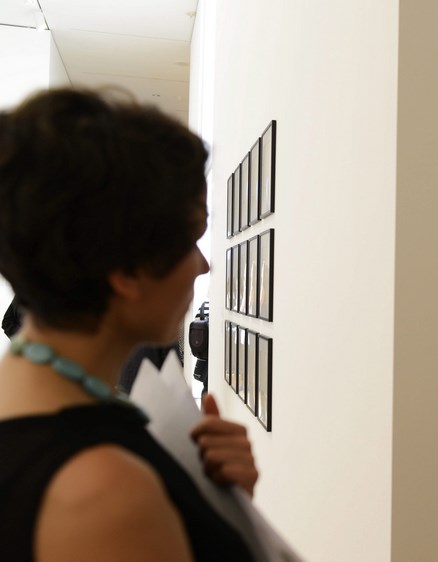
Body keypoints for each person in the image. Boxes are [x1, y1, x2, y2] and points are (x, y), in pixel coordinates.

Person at [0, 89, 257, 560]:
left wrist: (219, 505)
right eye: (190, 240)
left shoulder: (35, 408)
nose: (204, 267)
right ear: (128, 273)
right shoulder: (102, 494)